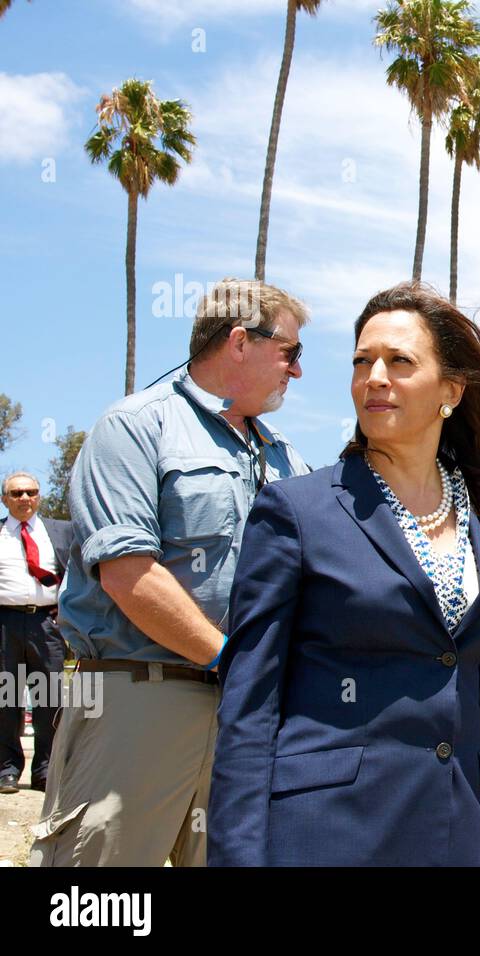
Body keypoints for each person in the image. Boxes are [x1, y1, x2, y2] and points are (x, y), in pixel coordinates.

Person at [208, 281, 480, 867]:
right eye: (362, 361)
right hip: (326, 837)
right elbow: (248, 710)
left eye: (400, 361)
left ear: (451, 390)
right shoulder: (295, 513)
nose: (375, 377)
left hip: (460, 836)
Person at [30, 278, 311, 867]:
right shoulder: (134, 427)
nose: (298, 371)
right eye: (291, 352)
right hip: (139, 703)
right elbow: (129, 574)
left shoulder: (286, 457)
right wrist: (237, 664)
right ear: (240, 341)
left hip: (245, 718)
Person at [0, 472, 72, 794]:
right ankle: (7, 770)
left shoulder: (61, 531)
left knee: (50, 698)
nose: (24, 498)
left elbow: (79, 573)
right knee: (6, 698)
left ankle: (45, 770)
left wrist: (69, 616)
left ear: (39, 496)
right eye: (16, 493)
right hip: (5, 624)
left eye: (30, 492)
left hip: (47, 624)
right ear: (5, 500)